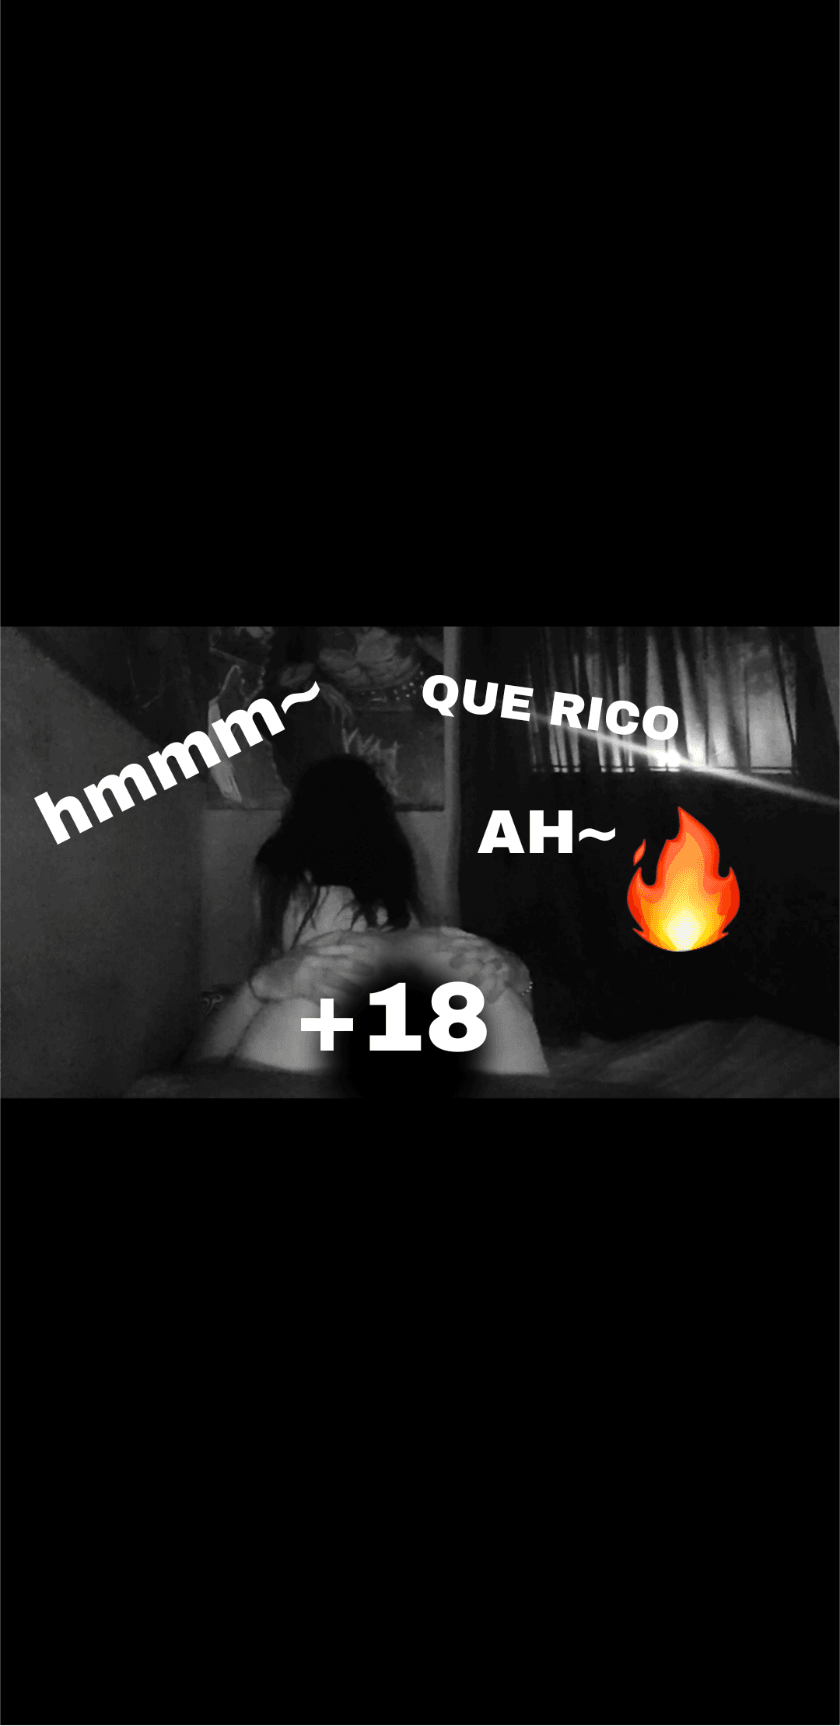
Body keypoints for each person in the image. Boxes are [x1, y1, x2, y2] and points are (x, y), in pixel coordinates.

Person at [187, 756, 548, 1077]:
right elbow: (523, 1030)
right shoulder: (460, 961)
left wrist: (257, 988)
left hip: (317, 1016)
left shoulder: (280, 875)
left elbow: (196, 1072)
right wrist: (519, 979)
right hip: (455, 1005)